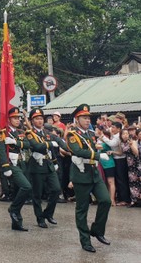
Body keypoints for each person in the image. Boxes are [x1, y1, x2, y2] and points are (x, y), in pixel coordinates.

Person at [66, 104, 111, 253]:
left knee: (105, 200)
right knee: (82, 209)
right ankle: (85, 240)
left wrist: (101, 149)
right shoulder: (72, 135)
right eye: (84, 117)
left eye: (88, 117)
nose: (87, 120)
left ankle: (97, 230)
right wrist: (98, 155)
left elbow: (92, 147)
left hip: (94, 174)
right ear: (77, 119)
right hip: (81, 175)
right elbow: (78, 151)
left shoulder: (91, 134)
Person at [26, 108, 64, 229]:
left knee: (56, 189)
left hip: (48, 164)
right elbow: (37, 146)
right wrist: (49, 144)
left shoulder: (47, 133)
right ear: (32, 121)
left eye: (41, 118)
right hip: (37, 166)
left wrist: (69, 148)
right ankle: (40, 218)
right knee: (37, 194)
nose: (40, 121)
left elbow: (57, 142)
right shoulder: (30, 133)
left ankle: (48, 213)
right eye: (37, 119)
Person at [0, 107, 32, 231]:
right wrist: (5, 166)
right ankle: (13, 209)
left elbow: (28, 144)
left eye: (18, 118)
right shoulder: (3, 132)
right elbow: (0, 149)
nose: (17, 120)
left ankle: (17, 222)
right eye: (15, 118)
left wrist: (16, 143)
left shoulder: (19, 132)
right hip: (11, 163)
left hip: (20, 163)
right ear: (9, 119)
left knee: (18, 191)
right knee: (26, 187)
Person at [119, 129, 140, 207]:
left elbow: (136, 153)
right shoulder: (121, 143)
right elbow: (121, 153)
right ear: (121, 135)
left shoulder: (133, 141)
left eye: (126, 133)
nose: (125, 135)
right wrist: (112, 152)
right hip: (129, 165)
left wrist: (131, 145)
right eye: (123, 134)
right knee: (132, 183)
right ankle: (134, 201)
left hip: (136, 164)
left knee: (138, 182)